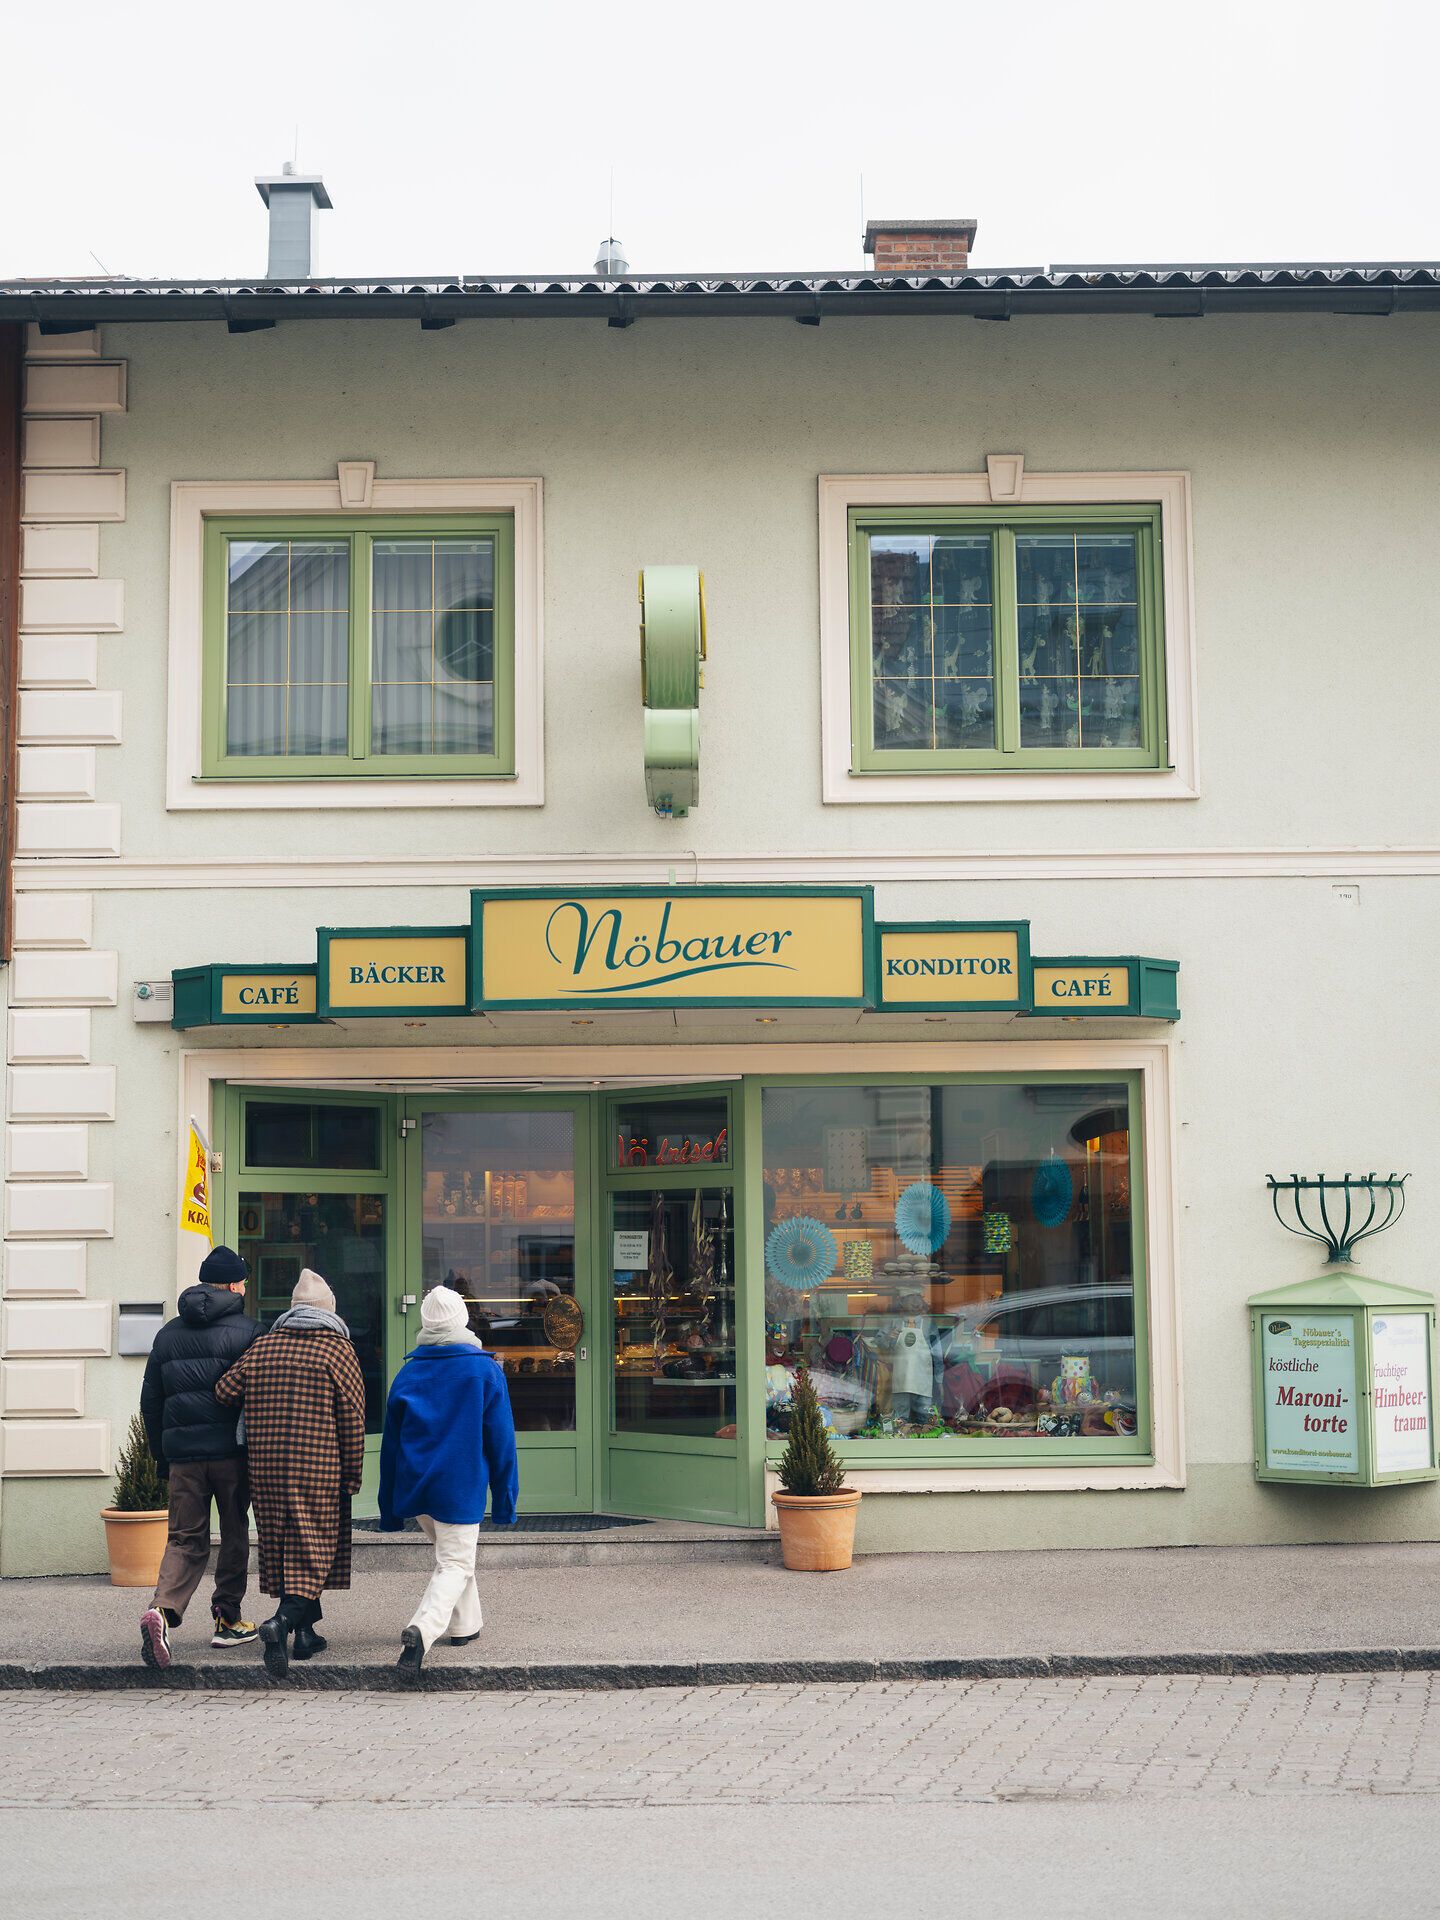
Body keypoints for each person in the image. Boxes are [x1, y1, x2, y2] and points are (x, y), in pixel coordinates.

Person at [215, 1268, 365, 1680]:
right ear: (329, 1310)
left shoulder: (264, 1346)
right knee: (314, 1546)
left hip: (265, 1467)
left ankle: (306, 1635)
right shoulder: (338, 1351)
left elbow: (225, 1390)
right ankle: (280, 1624)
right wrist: (352, 1474)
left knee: (283, 1545)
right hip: (318, 1466)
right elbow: (352, 1419)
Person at [378, 1284, 518, 1682]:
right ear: (462, 1322)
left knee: (452, 1557)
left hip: (417, 1485)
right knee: (455, 1561)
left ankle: (464, 1627)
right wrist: (505, 1499)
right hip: (459, 1486)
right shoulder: (484, 1370)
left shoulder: (409, 1373)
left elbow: (390, 1446)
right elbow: (502, 1442)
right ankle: (421, 1631)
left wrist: (389, 1507)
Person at [137, 1244, 260, 1669]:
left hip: (184, 1457)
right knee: (232, 1533)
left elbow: (150, 1400)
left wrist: (161, 1454)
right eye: (242, 1280)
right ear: (231, 1285)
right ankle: (228, 1620)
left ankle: (164, 1609)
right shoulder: (249, 1332)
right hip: (231, 1454)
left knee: (185, 1537)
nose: (244, 1286)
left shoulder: (168, 1333)